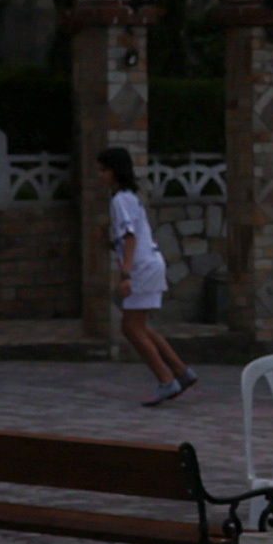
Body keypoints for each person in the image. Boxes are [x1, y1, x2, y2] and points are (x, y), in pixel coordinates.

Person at [103, 142, 190, 406]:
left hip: (142, 268)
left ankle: (166, 380)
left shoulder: (120, 201)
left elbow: (129, 237)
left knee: (130, 327)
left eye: (102, 170)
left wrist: (126, 274)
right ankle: (180, 372)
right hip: (150, 263)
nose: (99, 176)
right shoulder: (130, 198)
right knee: (140, 325)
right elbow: (131, 238)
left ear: (114, 171)